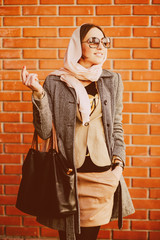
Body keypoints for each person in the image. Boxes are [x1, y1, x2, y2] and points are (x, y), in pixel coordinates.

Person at [21, 23, 135, 240]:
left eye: (104, 41)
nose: (100, 46)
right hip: (68, 175)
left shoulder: (112, 80)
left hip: (103, 174)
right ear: (77, 45)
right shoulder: (55, 81)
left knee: (89, 237)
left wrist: (118, 165)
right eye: (93, 41)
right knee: (67, 236)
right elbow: (45, 131)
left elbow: (117, 125)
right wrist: (38, 95)